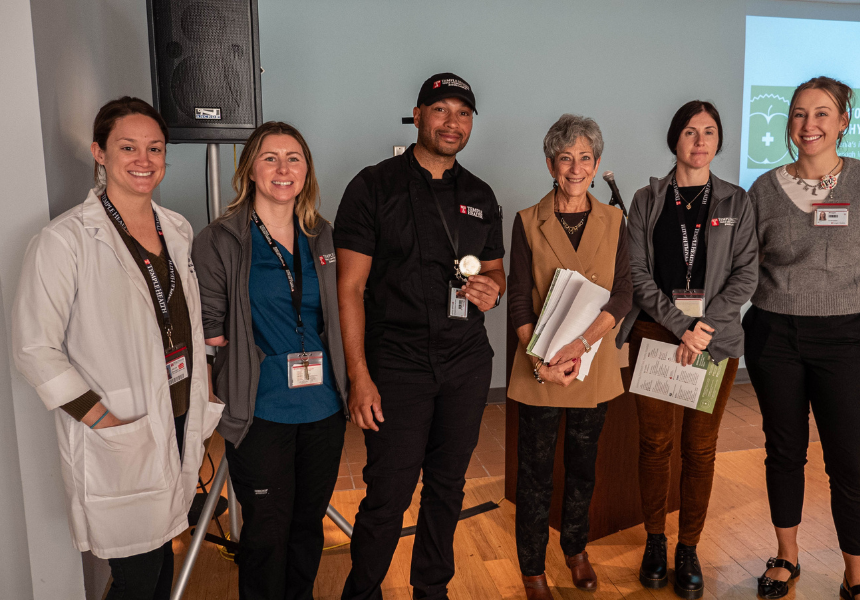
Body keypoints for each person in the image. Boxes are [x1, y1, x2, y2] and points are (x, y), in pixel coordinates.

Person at [12, 96, 223, 599]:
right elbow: (33, 348)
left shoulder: (176, 229)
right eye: (127, 147)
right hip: (120, 427)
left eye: (154, 148)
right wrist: (102, 420)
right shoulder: (65, 240)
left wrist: (204, 391)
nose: (143, 160)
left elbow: (184, 323)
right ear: (99, 153)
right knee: (136, 576)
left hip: (173, 415)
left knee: (162, 555)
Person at [334, 72, 505, 600]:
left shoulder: (480, 194)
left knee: (447, 488)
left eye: (463, 113)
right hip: (397, 365)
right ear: (417, 115)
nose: (452, 123)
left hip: (466, 361)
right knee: (387, 493)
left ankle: (432, 590)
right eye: (441, 110)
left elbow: (497, 273)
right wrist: (359, 377)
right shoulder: (372, 185)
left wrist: (492, 291)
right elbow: (350, 289)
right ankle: (361, 592)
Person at [744, 76, 860, 600]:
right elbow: (749, 267)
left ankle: (856, 578)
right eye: (798, 115)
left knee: (851, 461)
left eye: (821, 114)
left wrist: (848, 306)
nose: (808, 125)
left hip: (844, 338)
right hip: (773, 334)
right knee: (784, 451)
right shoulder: (764, 190)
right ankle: (786, 558)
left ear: (843, 123)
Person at [192, 121, 349, 600]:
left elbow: (339, 313)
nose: (283, 168)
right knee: (265, 532)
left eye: (294, 158)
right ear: (251, 170)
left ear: (306, 171)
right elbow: (212, 330)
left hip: (323, 406)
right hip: (260, 408)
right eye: (270, 158)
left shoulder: (322, 235)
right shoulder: (221, 238)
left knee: (306, 526)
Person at [615, 100, 757, 599]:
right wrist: (681, 327)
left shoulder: (737, 202)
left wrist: (703, 330)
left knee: (700, 450)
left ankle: (688, 547)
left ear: (719, 142)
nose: (700, 142)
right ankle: (656, 540)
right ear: (674, 139)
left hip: (715, 344)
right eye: (691, 132)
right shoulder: (646, 199)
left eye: (710, 133)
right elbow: (637, 275)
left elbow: (745, 277)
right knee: (655, 445)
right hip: (656, 335)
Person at [506, 114, 633, 600]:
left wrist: (579, 346)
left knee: (583, 465)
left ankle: (576, 548)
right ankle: (533, 567)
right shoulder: (525, 221)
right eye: (566, 158)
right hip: (538, 366)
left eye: (585, 158)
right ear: (550, 165)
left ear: (597, 164)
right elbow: (518, 298)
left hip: (593, 364)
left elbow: (621, 296)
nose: (576, 168)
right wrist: (541, 361)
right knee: (535, 472)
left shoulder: (615, 221)